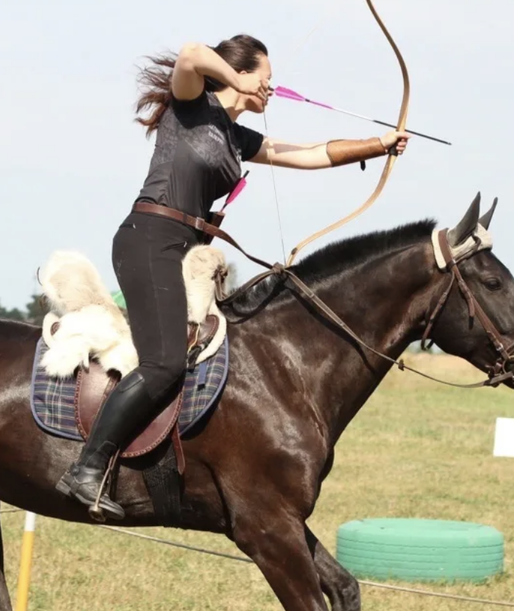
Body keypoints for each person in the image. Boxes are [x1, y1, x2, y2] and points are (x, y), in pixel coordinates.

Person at [56, 33, 410, 519]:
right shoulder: (190, 105)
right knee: (163, 365)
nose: (269, 88)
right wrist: (237, 77)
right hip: (149, 239)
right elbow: (190, 54)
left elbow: (307, 154)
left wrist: (378, 143)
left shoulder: (238, 138)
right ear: (240, 74)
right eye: (265, 78)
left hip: (185, 255)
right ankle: (86, 469)